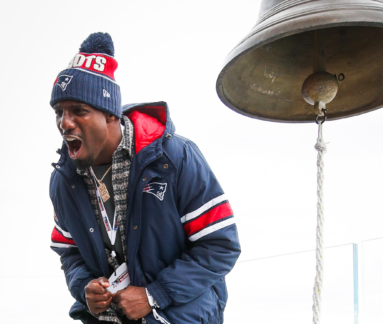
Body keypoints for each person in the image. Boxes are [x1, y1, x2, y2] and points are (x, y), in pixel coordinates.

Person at [49, 32, 241, 324]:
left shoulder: (175, 158)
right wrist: (84, 287)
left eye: (79, 111)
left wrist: (155, 294)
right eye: (59, 111)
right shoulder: (63, 181)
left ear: (111, 115)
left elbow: (220, 245)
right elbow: (69, 252)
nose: (64, 122)